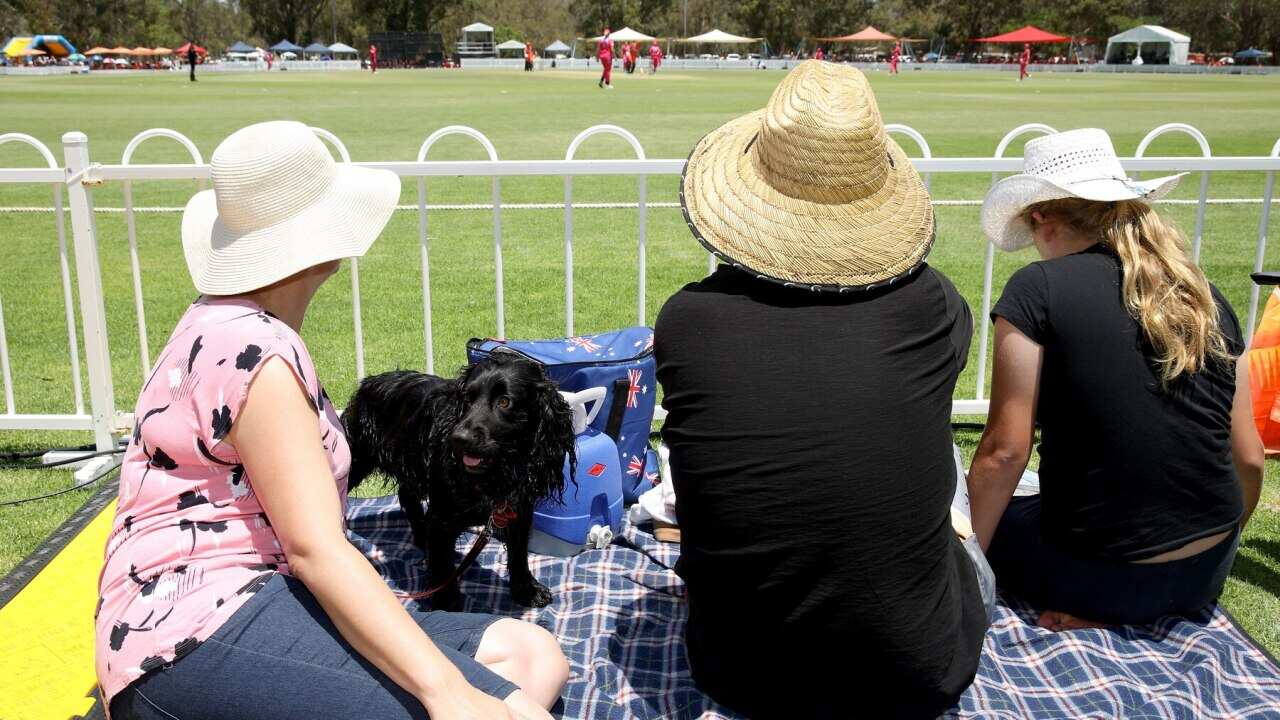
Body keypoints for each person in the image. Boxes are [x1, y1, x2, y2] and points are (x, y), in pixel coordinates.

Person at [96, 121, 569, 720]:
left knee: (535, 655)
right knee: (490, 709)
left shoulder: (225, 321)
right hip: (187, 636)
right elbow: (316, 549)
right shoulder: (260, 354)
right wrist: (447, 694)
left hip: (249, 601)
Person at [656, 61, 989, 719]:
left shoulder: (688, 321)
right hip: (918, 676)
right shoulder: (936, 305)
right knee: (936, 459)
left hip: (744, 676)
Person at [968, 128, 1264, 631]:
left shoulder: (1036, 289)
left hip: (1097, 576)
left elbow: (1004, 452)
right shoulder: (1204, 295)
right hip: (1206, 572)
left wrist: (963, 566)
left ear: (1041, 217)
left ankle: (1100, 613)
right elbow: (1250, 456)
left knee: (968, 506)